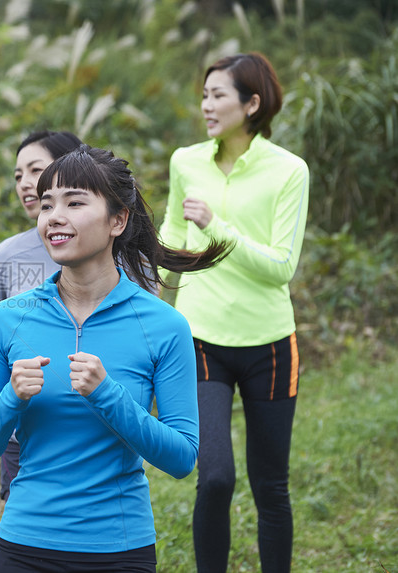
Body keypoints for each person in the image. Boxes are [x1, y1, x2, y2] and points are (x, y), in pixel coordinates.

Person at [0, 145, 230, 573]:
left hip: (119, 550)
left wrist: (108, 395)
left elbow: (182, 459)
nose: (53, 216)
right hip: (23, 545)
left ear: (117, 220)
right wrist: (11, 398)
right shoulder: (7, 319)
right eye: (47, 204)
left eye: (74, 202)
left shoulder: (163, 325)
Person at [158, 52, 309, 573]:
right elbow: (175, 241)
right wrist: (141, 286)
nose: (206, 105)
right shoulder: (186, 161)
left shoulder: (289, 171)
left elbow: (281, 267)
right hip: (201, 340)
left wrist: (218, 227)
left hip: (269, 344)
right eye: (204, 95)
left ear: (252, 103)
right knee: (215, 476)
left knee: (271, 485)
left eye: (218, 95)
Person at [0, 130, 83, 501]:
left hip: (93, 427)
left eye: (36, 170)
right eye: (18, 175)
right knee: (24, 533)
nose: (26, 184)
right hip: (21, 431)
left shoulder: (114, 248)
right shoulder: (9, 254)